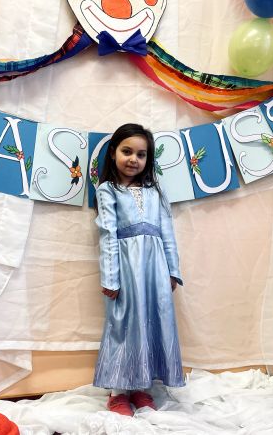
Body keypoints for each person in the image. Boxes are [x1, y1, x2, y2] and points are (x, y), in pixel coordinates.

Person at [93, 123, 185, 416]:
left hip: (155, 267)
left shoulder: (155, 191)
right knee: (124, 325)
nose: (133, 159)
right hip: (126, 269)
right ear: (113, 153)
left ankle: (142, 386)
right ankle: (118, 392)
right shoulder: (107, 190)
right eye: (127, 151)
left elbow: (166, 230)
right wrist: (111, 277)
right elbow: (107, 235)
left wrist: (172, 270)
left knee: (153, 322)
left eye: (141, 154)